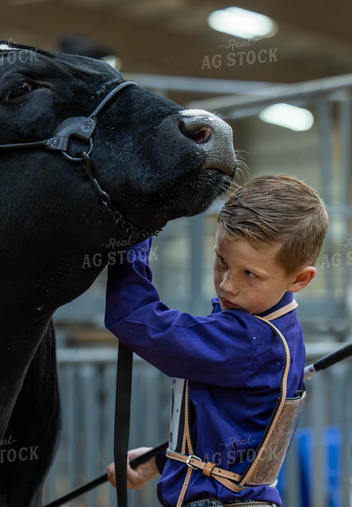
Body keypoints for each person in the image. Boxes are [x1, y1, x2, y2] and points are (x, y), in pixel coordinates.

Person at [104, 174, 328, 507]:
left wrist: (137, 229)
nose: (227, 285)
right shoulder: (276, 330)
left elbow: (135, 318)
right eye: (221, 260)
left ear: (300, 278)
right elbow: (235, 435)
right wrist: (162, 460)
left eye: (249, 274)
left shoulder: (249, 340)